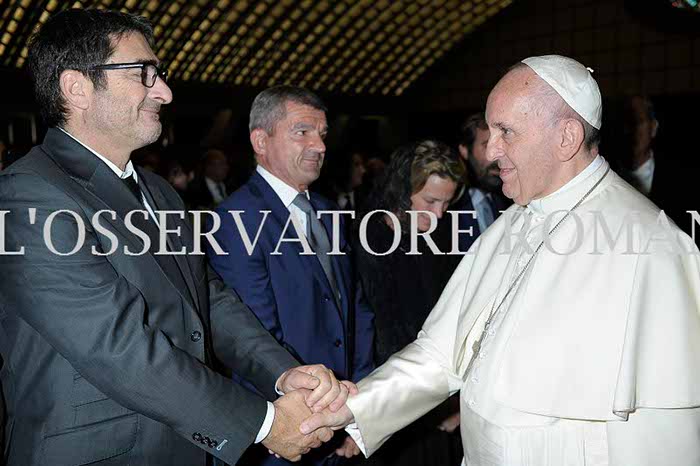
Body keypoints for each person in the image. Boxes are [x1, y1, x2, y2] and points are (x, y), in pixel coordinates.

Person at [301, 55, 700, 466]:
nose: (490, 152)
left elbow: (667, 432)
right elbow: (442, 352)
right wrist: (356, 407)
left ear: (566, 137)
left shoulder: (652, 244)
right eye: (490, 132)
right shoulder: (512, 223)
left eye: (506, 132)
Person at [0, 9, 351, 466]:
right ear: (76, 88)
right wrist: (265, 423)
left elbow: (207, 297)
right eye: (144, 74)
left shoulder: (158, 192)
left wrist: (283, 373)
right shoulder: (28, 196)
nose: (163, 91)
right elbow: (116, 347)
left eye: (159, 74)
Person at [208, 86, 375, 466]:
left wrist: (358, 409)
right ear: (260, 140)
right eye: (303, 132)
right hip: (287, 436)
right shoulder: (238, 219)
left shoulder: (329, 212)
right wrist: (316, 418)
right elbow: (254, 336)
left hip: (341, 422)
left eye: (323, 134)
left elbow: (358, 312)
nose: (319, 145)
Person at [353, 140, 465, 466]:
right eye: (430, 201)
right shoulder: (365, 236)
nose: (439, 214)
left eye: (446, 203)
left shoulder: (440, 235)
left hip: (432, 392)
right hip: (383, 396)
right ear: (403, 189)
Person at [454, 112, 511, 236]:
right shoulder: (448, 204)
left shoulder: (502, 201)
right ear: (464, 150)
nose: (497, 156)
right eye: (487, 146)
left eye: (502, 146)